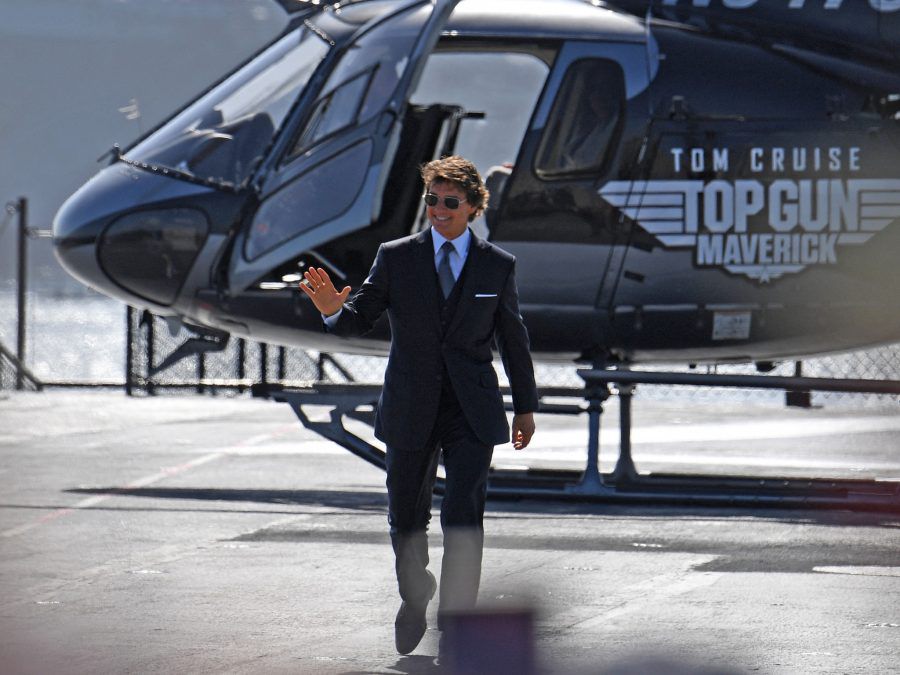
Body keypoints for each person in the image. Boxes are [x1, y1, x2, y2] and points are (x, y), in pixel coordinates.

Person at [299, 155, 538, 657]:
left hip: (471, 410)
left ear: (473, 207)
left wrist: (524, 407)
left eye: (451, 201)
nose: (438, 209)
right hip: (410, 404)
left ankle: (457, 623)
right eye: (432, 199)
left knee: (463, 517)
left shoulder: (498, 264)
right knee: (406, 518)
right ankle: (415, 594)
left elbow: (513, 340)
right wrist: (331, 312)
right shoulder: (397, 256)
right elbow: (357, 318)